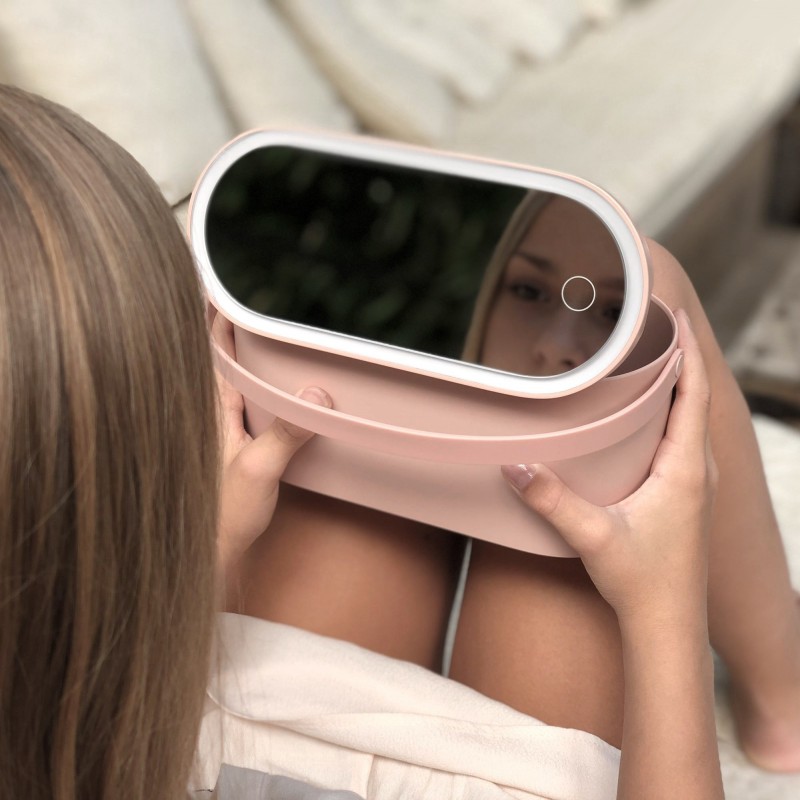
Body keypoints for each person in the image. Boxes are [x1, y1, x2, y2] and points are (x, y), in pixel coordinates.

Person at [0, 81, 773, 798]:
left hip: (191, 718)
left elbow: (85, 730)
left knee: (347, 448)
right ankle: (785, 689)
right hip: (392, 761)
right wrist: (665, 606)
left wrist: (209, 547)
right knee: (653, 288)